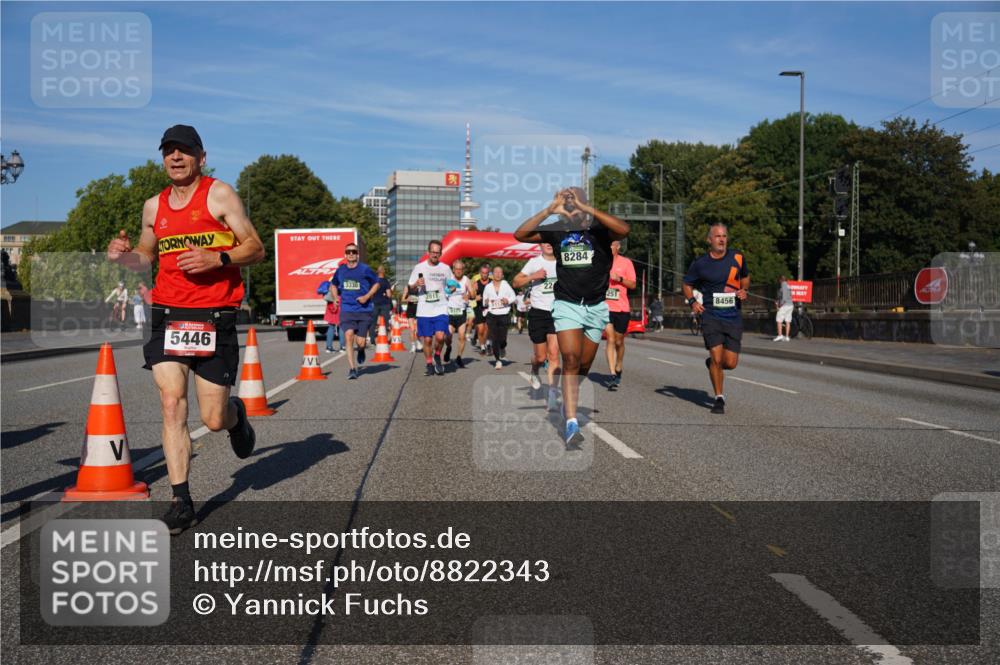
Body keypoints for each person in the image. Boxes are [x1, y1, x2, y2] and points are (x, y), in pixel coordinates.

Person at [106, 124, 265, 534]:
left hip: (215, 314)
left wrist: (219, 258)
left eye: (184, 151)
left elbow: (256, 247)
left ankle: (237, 418)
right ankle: (181, 500)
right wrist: (124, 258)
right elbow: (146, 255)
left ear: (201, 157)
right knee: (172, 404)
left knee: (213, 418)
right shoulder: (152, 206)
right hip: (169, 313)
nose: (176, 158)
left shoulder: (219, 194)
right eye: (169, 152)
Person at [514, 187, 629, 446]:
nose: (572, 209)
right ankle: (571, 421)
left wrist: (586, 209)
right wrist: (549, 210)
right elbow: (520, 234)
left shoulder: (599, 229)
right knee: (571, 358)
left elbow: (624, 230)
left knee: (583, 367)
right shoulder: (557, 230)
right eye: (569, 205)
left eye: (576, 204)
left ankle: (570, 392)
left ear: (586, 204)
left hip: (596, 307)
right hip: (566, 304)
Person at [682, 222, 749, 415]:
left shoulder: (737, 257)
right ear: (709, 240)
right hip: (711, 316)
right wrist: (693, 302)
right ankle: (719, 398)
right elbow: (686, 284)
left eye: (724, 236)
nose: (722, 240)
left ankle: (712, 364)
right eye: (718, 236)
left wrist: (744, 290)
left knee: (730, 363)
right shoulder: (700, 263)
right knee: (717, 358)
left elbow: (745, 278)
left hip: (733, 316)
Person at [513, 241, 560, 411]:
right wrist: (533, 276)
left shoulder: (562, 260)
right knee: (540, 358)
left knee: (554, 355)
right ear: (540, 245)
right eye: (545, 242)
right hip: (538, 313)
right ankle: (534, 370)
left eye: (551, 241)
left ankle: (553, 395)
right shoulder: (534, 262)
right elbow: (516, 282)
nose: (549, 244)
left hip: (558, 312)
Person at [330, 242, 380, 379]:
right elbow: (333, 285)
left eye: (353, 251)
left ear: (357, 254)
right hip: (347, 309)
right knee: (348, 335)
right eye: (348, 252)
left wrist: (367, 296)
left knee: (361, 342)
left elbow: (376, 283)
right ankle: (352, 369)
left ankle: (361, 350)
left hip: (363, 310)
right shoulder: (340, 270)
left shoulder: (365, 269)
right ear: (345, 255)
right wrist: (335, 298)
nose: (351, 254)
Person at [408, 239, 453, 376]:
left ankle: (437, 355)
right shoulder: (419, 268)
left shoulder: (445, 268)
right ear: (428, 252)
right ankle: (429, 363)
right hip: (424, 309)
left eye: (437, 252)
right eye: (432, 252)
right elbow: (410, 287)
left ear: (441, 253)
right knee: (427, 340)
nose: (435, 255)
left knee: (440, 337)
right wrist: (416, 284)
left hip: (441, 307)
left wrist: (450, 289)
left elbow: (451, 285)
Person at [603, 240, 636, 391]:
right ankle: (611, 374)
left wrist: (620, 279)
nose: (609, 247)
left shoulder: (626, 263)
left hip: (622, 308)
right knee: (610, 338)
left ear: (618, 247)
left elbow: (633, 285)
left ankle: (619, 364)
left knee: (618, 341)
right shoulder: (600, 262)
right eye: (607, 245)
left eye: (611, 245)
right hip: (605, 307)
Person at [481, 266, 516, 370]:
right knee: (494, 338)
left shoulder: (506, 285)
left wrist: (507, 300)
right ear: (492, 274)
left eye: (500, 272)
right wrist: (486, 302)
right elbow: (484, 301)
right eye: (495, 272)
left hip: (504, 314)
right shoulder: (488, 287)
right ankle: (497, 360)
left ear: (502, 275)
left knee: (502, 339)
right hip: (492, 315)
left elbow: (513, 297)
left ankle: (502, 347)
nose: (497, 274)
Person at [444, 260, 472, 368]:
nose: (459, 271)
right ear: (453, 270)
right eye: (457, 269)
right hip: (450, 311)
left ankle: (459, 357)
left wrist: (469, 295)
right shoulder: (448, 279)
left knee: (461, 336)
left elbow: (472, 293)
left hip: (461, 311)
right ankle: (448, 347)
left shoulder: (466, 280)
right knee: (448, 336)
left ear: (463, 270)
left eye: (461, 269)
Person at [469, 262, 491, 355]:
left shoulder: (492, 282)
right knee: (480, 329)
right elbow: (470, 296)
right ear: (480, 273)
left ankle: (487, 344)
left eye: (486, 273)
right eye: (482, 273)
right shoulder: (475, 283)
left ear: (488, 273)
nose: (484, 275)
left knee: (488, 328)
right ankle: (482, 347)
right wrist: (475, 296)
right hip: (478, 307)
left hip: (490, 308)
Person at [368, 266, 394, 345]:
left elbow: (371, 293)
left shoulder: (373, 281)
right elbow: (389, 295)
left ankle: (372, 340)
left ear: (377, 272)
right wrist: (387, 293)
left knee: (373, 322)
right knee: (386, 322)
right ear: (383, 271)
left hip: (374, 303)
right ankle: (386, 339)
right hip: (384, 303)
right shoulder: (386, 281)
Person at [401, 285, 421, 352]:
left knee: (418, 330)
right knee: (412, 329)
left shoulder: (420, 287)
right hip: (410, 310)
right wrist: (408, 299)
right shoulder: (407, 287)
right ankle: (413, 345)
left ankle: (418, 342)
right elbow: (402, 299)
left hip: (419, 310)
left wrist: (418, 299)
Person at [323, 285, 342, 353]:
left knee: (331, 326)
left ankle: (329, 347)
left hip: (331, 302)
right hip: (339, 300)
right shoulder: (341, 278)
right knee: (341, 326)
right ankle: (342, 347)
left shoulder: (332, 281)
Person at [774, 275, 793, 342]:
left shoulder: (783, 286)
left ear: (781, 280)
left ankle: (780, 335)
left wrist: (779, 306)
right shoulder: (788, 285)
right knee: (788, 321)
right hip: (790, 305)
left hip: (784, 305)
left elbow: (784, 299)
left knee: (779, 320)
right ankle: (787, 337)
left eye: (779, 280)